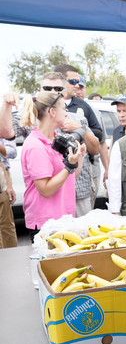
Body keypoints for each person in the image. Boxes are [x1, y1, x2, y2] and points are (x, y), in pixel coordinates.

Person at [20, 91, 85, 242]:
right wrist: (69, 166)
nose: (67, 114)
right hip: (46, 224)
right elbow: (46, 190)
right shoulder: (35, 146)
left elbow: (71, 176)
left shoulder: (57, 139)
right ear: (52, 112)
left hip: (64, 219)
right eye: (64, 109)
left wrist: (79, 156)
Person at [41, 72, 100, 217]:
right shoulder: (32, 120)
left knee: (83, 236)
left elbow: (96, 148)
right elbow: (7, 132)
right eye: (48, 88)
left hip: (78, 191)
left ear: (64, 91)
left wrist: (80, 129)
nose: (53, 93)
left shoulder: (77, 117)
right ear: (40, 90)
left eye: (58, 89)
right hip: (50, 194)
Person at [54, 64, 108, 211]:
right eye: (73, 82)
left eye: (78, 82)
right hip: (53, 189)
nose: (77, 86)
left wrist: (79, 130)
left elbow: (98, 139)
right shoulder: (42, 109)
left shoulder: (82, 109)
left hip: (80, 186)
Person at [0, 138, 17, 248]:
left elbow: (12, 152)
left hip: (1, 177)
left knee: (6, 224)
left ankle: (11, 259)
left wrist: (8, 185)